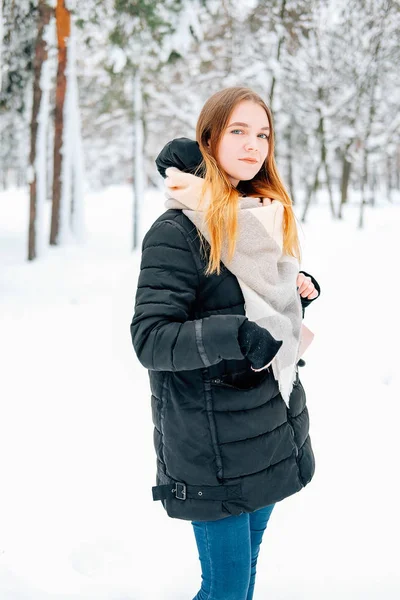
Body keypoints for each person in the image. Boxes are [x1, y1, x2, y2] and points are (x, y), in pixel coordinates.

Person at [130, 87, 321, 600]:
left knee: (244, 580)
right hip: (211, 443)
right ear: (209, 138)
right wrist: (232, 333)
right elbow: (150, 338)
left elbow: (258, 301)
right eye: (238, 130)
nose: (253, 144)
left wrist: (298, 289)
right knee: (226, 589)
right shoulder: (177, 231)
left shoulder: (257, 216)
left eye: (262, 133)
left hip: (267, 424)